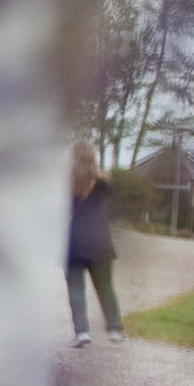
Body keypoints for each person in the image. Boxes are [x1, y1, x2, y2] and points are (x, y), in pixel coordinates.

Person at [68, 140, 124, 346]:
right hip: (100, 244)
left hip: (73, 244)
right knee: (106, 287)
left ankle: (82, 332)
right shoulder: (104, 184)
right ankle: (115, 329)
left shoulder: (65, 183)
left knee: (76, 289)